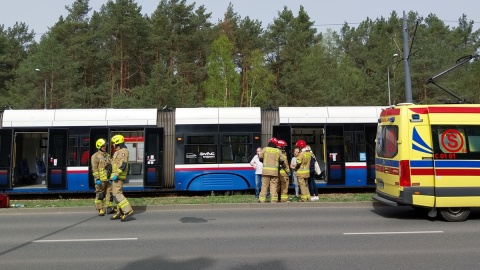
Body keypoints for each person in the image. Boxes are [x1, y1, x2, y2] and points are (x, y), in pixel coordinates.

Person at [109, 135, 134, 222]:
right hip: (115, 176)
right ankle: (120, 212)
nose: (113, 145)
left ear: (117, 143)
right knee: (115, 195)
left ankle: (127, 211)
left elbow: (123, 165)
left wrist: (116, 174)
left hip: (119, 176)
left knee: (117, 194)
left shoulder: (124, 151)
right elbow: (114, 163)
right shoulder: (118, 152)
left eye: (113, 143)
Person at [258, 137, 285, 203]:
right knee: (274, 186)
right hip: (274, 172)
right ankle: (274, 199)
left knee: (264, 186)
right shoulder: (278, 151)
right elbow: (282, 161)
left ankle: (262, 199)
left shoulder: (265, 149)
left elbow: (260, 158)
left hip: (266, 171)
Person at [91, 138, 113, 216]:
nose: (105, 147)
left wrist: (111, 177)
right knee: (100, 195)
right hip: (100, 179)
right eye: (103, 146)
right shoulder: (95, 156)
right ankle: (100, 209)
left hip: (108, 178)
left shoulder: (107, 155)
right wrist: (97, 179)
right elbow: (94, 169)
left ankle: (109, 208)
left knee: (109, 194)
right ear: (99, 146)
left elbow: (111, 165)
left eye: (105, 146)